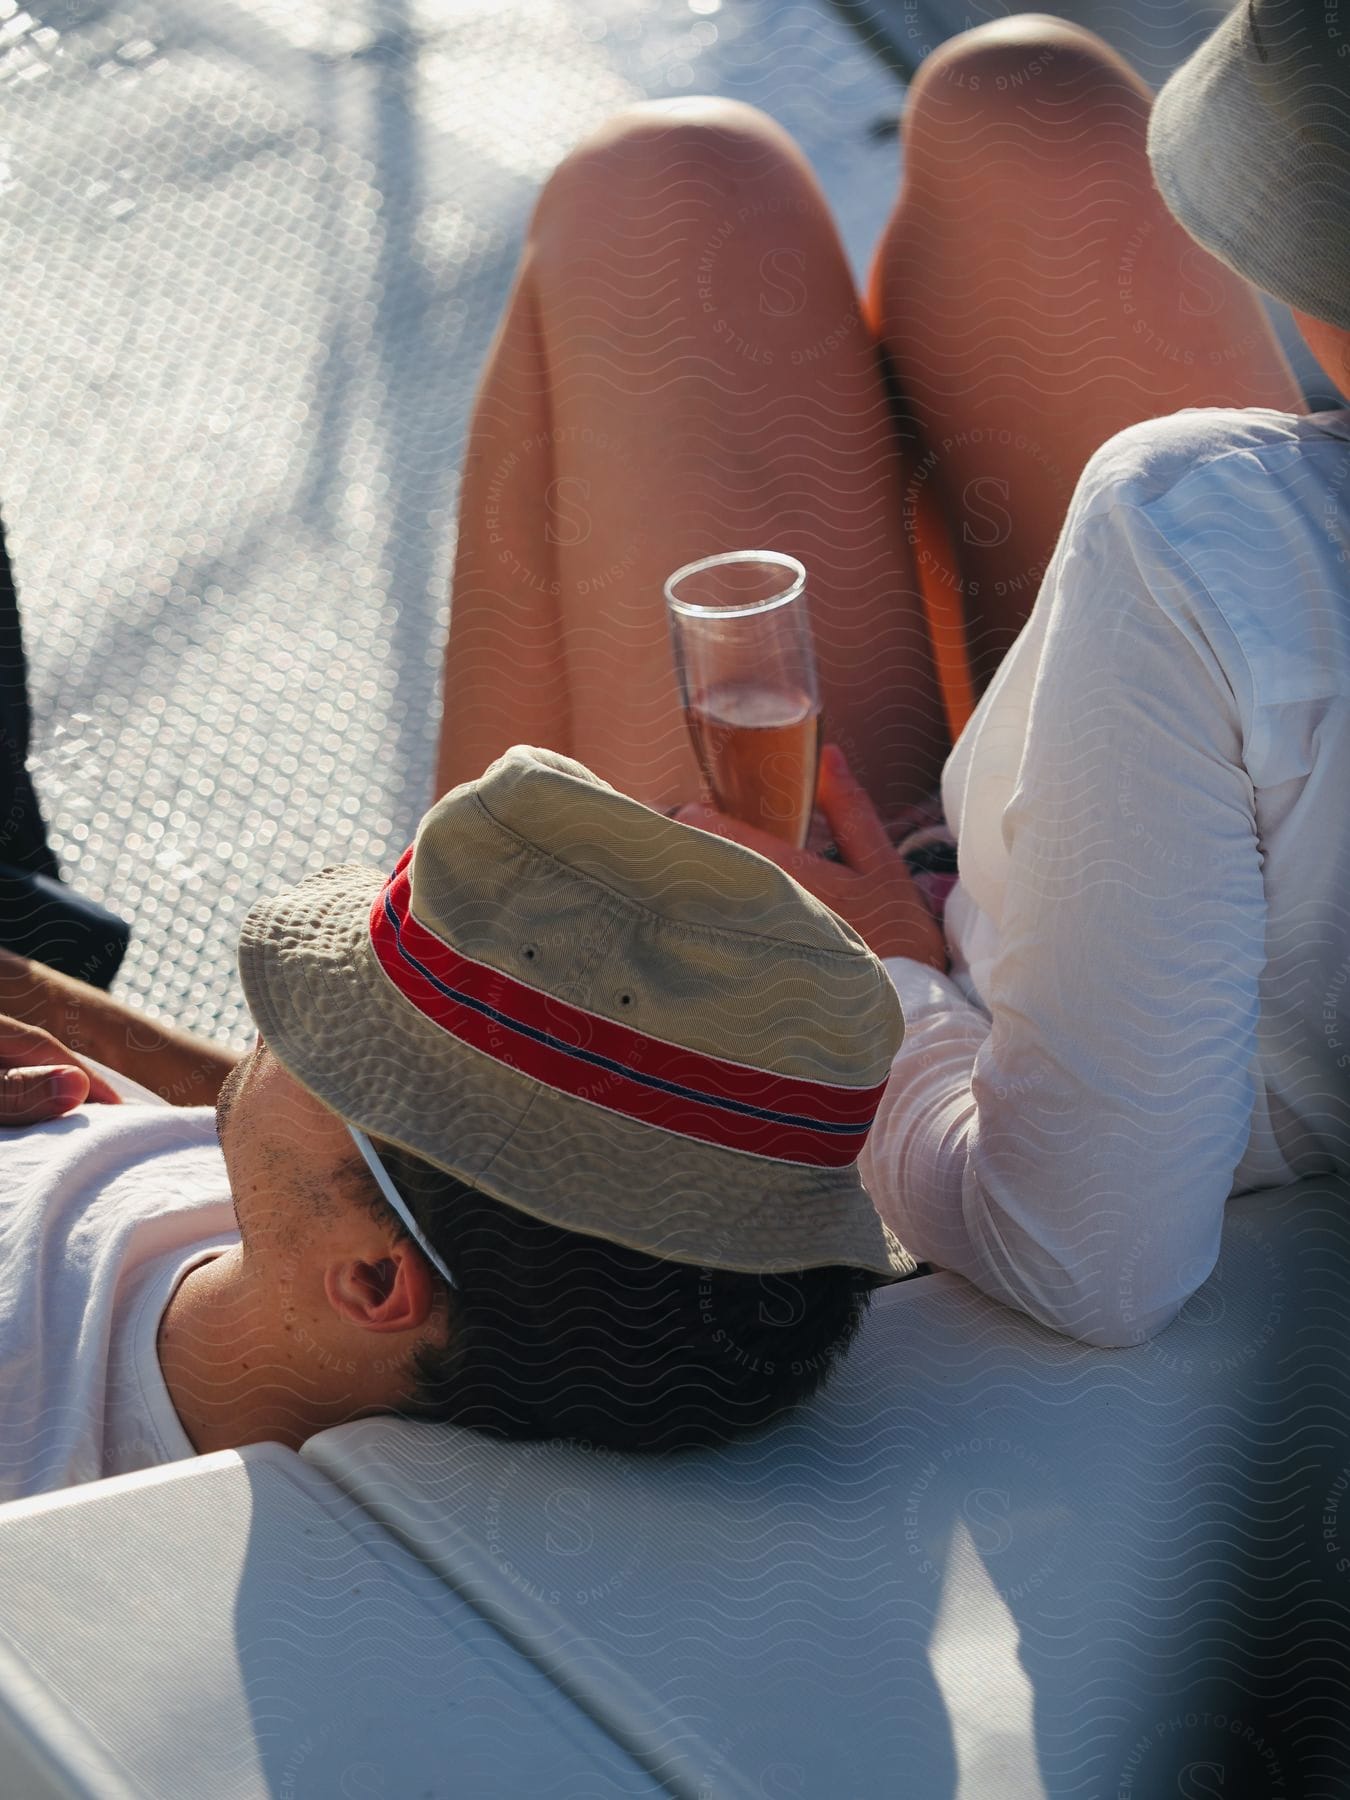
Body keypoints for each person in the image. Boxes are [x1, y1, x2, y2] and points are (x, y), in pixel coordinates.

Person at [434, 4, 1349, 1348]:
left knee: (661, 191)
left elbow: (1090, 1252)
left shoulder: (1194, 529)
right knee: (1024, 98)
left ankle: (434, 1079)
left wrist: (893, 989)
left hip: (989, 1127)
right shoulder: (1209, 546)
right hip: (1142, 949)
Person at [0, 745, 917, 1504]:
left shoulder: (34, 1434)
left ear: (372, 1280)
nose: (278, 1025)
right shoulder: (353, 1246)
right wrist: (35, 992)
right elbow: (303, 1138)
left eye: (341, 1043)